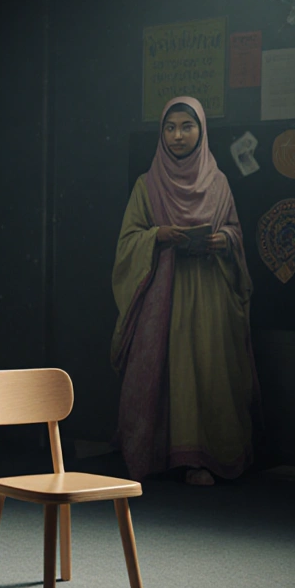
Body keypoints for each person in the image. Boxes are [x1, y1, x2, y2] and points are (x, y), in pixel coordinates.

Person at [111, 96, 258, 486]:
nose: (178, 136)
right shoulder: (147, 185)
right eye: (170, 128)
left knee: (209, 370)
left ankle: (204, 458)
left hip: (210, 292)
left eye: (186, 127)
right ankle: (160, 455)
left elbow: (235, 230)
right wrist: (157, 235)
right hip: (163, 295)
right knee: (165, 370)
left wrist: (224, 241)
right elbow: (128, 242)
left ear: (201, 131)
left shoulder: (219, 181)